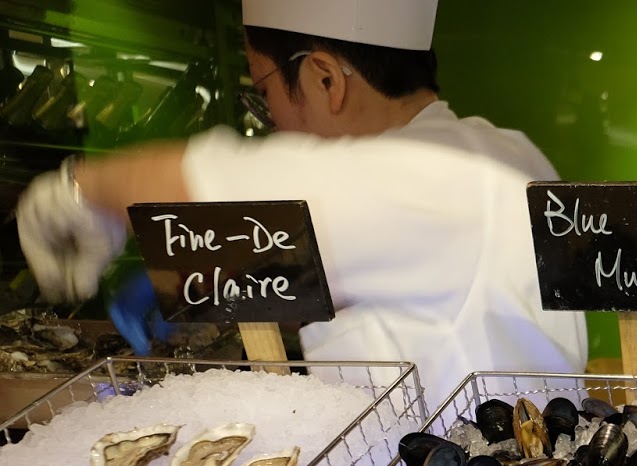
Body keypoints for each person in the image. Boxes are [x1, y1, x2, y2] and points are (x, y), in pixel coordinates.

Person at [15, 0, 587, 407]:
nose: (273, 121)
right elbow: (377, 287)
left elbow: (195, 180)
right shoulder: (505, 149)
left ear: (325, 80)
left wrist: (72, 193)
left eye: (265, 93)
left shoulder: (418, 172)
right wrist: (207, 289)